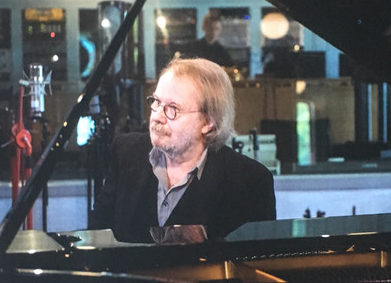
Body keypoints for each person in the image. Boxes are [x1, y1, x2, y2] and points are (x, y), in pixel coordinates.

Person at [90, 57, 276, 243]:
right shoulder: (126, 152)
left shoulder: (250, 181)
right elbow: (97, 235)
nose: (157, 117)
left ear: (208, 122)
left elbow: (253, 256)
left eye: (173, 108)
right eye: (156, 102)